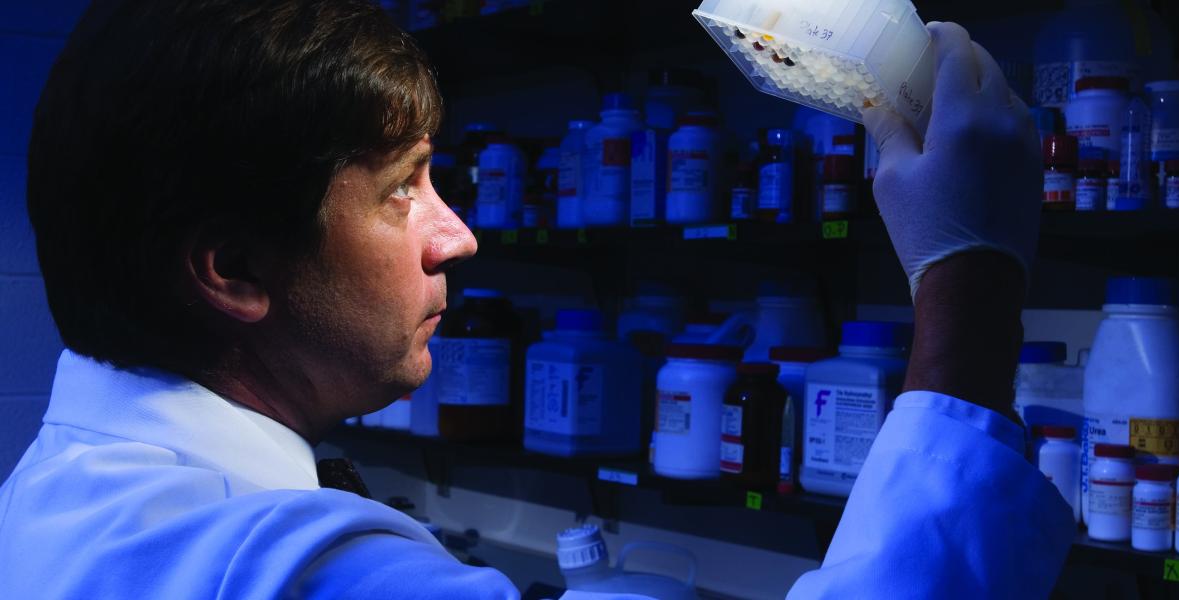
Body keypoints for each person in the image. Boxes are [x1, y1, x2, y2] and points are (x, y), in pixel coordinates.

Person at [0, 0, 1074, 598]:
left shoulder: (58, 498)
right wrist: (969, 282)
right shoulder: (288, 566)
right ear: (232, 270)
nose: (459, 233)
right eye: (401, 188)